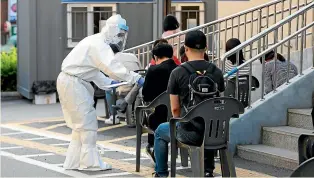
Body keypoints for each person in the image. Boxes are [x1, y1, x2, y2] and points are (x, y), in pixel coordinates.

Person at [57, 14, 145, 171]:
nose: (120, 39)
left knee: (81, 125)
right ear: (111, 30)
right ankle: (90, 163)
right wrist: (135, 77)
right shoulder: (99, 45)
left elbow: (93, 70)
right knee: (88, 123)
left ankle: (74, 161)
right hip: (73, 83)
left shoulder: (94, 41)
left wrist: (108, 83)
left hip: (72, 81)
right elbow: (112, 67)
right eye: (119, 35)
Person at [153, 30, 225, 177]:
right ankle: (207, 170)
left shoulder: (178, 72)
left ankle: (161, 174)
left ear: (185, 48)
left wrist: (180, 123)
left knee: (160, 131)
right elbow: (221, 102)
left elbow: (175, 109)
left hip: (190, 133)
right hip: (216, 133)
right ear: (205, 48)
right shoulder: (216, 72)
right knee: (204, 125)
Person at [142, 39, 178, 163]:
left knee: (151, 115)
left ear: (156, 56)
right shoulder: (180, 69)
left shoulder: (153, 70)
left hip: (159, 116)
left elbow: (146, 95)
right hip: (178, 115)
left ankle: (152, 147)